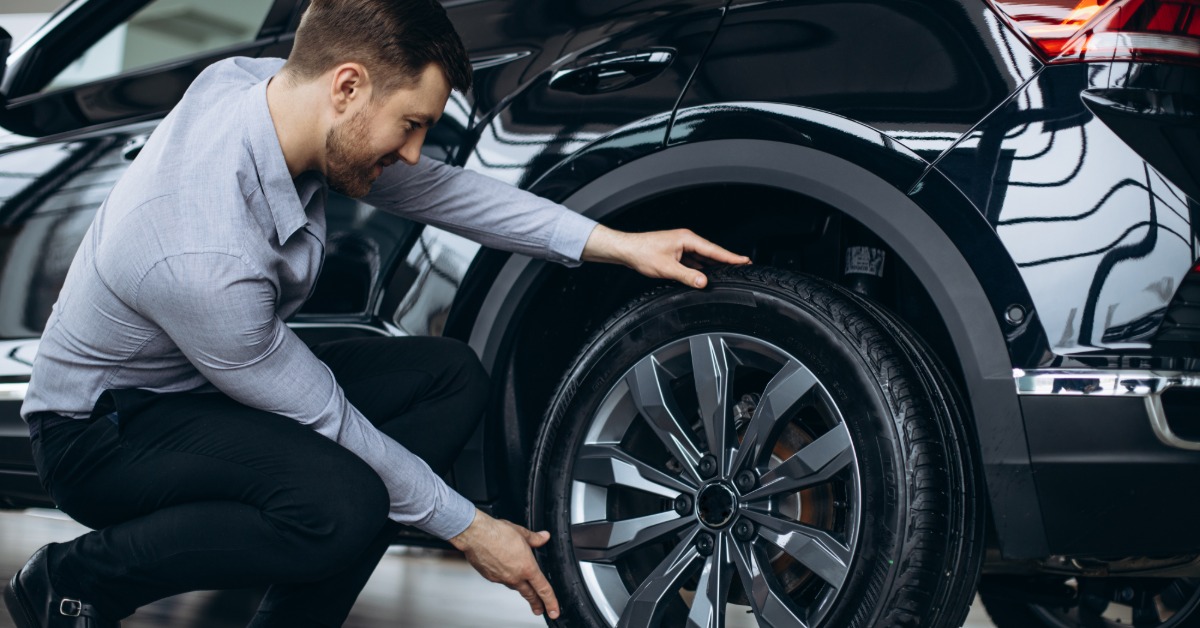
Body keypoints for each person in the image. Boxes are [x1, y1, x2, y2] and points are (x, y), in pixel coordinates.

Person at [1, 0, 750, 626]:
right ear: (348, 86)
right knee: (342, 504)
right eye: (412, 124)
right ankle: (76, 579)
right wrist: (471, 528)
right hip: (100, 433)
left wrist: (616, 244)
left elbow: (438, 192)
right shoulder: (198, 253)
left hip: (201, 385)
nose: (417, 151)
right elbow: (328, 418)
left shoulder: (266, 88)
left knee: (447, 379)